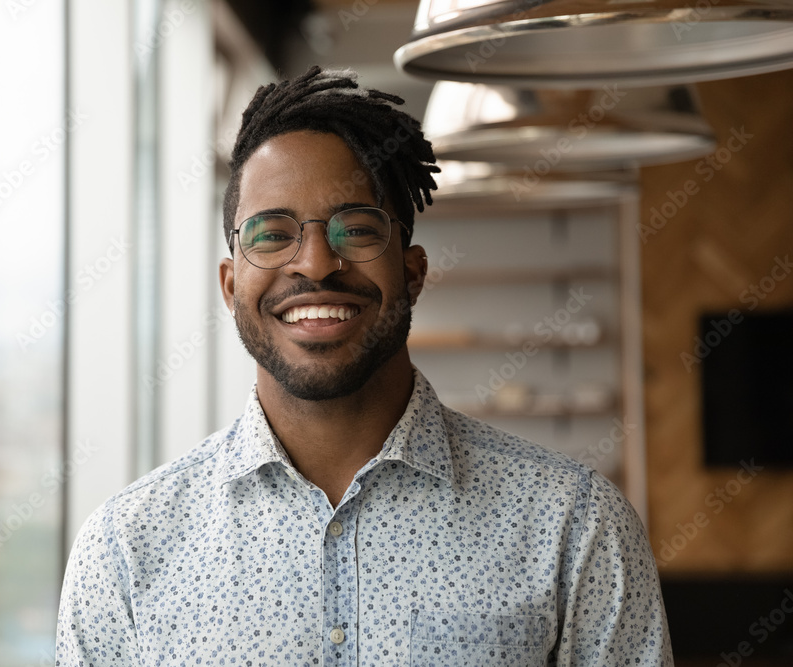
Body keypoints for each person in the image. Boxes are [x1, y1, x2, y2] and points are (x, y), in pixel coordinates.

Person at [56, 66, 673, 666]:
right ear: (229, 283)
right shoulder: (125, 548)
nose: (317, 264)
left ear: (412, 272)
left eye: (355, 229)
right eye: (271, 234)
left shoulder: (573, 524)